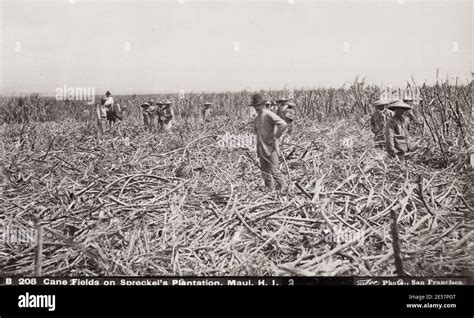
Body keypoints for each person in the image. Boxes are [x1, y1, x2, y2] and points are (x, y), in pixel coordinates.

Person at [250, 93, 288, 191]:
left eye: (259, 105)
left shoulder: (268, 114)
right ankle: (270, 191)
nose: (257, 108)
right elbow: (257, 133)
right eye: (255, 106)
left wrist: (275, 137)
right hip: (262, 150)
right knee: (265, 173)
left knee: (275, 171)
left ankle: (284, 190)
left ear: (263, 105)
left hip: (271, 149)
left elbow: (283, 124)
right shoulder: (257, 118)